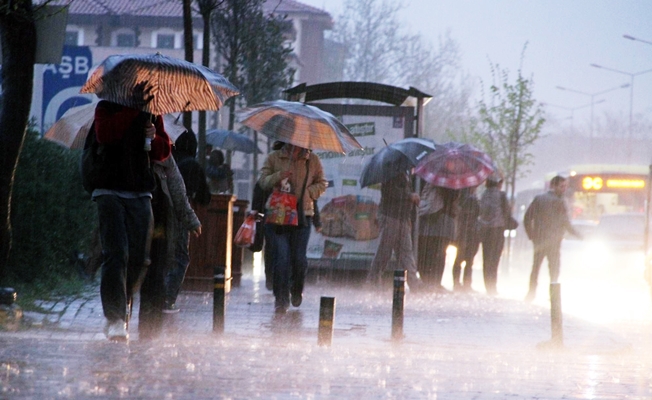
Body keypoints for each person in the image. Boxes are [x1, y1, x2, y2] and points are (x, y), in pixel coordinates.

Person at [91, 100, 171, 341]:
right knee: (116, 254)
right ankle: (115, 317)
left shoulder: (153, 111)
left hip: (140, 191)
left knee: (140, 257)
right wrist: (132, 111)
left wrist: (154, 135)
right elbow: (105, 135)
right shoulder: (105, 107)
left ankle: (121, 302)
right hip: (109, 190)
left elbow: (162, 151)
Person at [258, 143, 327, 313]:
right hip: (278, 216)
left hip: (303, 216)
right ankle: (281, 298)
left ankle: (297, 289)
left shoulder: (312, 160)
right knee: (281, 258)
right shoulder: (274, 157)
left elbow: (322, 183)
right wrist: (277, 176)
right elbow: (263, 181)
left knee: (299, 259)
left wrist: (309, 192)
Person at [139, 155, 202, 337]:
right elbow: (178, 190)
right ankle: (141, 322)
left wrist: (190, 219)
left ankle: (147, 325)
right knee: (150, 270)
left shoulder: (163, 153)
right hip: (147, 220)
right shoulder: (161, 153)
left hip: (157, 223)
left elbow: (177, 188)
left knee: (153, 270)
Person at [163, 130, 211, 313]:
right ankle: (168, 299)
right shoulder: (192, 165)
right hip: (180, 214)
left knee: (162, 254)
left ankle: (155, 294)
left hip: (158, 211)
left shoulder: (165, 159)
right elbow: (205, 197)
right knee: (180, 257)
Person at [523, 175, 582, 302]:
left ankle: (531, 293)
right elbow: (566, 222)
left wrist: (532, 235)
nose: (564, 189)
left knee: (536, 267)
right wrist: (578, 235)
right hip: (554, 241)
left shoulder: (539, 199)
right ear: (553, 186)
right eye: (562, 186)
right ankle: (553, 295)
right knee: (554, 269)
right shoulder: (561, 201)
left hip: (540, 240)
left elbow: (527, 217)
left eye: (565, 186)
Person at [367, 171, 423, 291]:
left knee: (406, 253)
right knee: (384, 251)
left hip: (402, 219)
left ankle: (415, 284)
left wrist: (408, 217)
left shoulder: (406, 174)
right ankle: (373, 281)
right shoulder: (391, 173)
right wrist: (409, 196)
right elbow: (391, 192)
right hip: (390, 217)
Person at [418, 183, 460, 293]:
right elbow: (451, 198)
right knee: (439, 254)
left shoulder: (428, 181)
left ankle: (428, 281)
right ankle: (434, 283)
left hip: (428, 220)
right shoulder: (446, 182)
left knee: (428, 253)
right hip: (441, 221)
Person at [478, 172, 510, 296]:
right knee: (495, 259)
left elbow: (480, 211)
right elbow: (506, 213)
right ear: (498, 183)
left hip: (485, 230)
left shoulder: (484, 195)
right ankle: (493, 286)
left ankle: (488, 285)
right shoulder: (501, 195)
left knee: (486, 258)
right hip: (497, 230)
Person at [451, 186, 481, 292]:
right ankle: (466, 284)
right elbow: (477, 213)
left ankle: (456, 282)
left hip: (462, 232)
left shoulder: (461, 199)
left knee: (459, 258)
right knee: (468, 259)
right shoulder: (471, 199)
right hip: (470, 233)